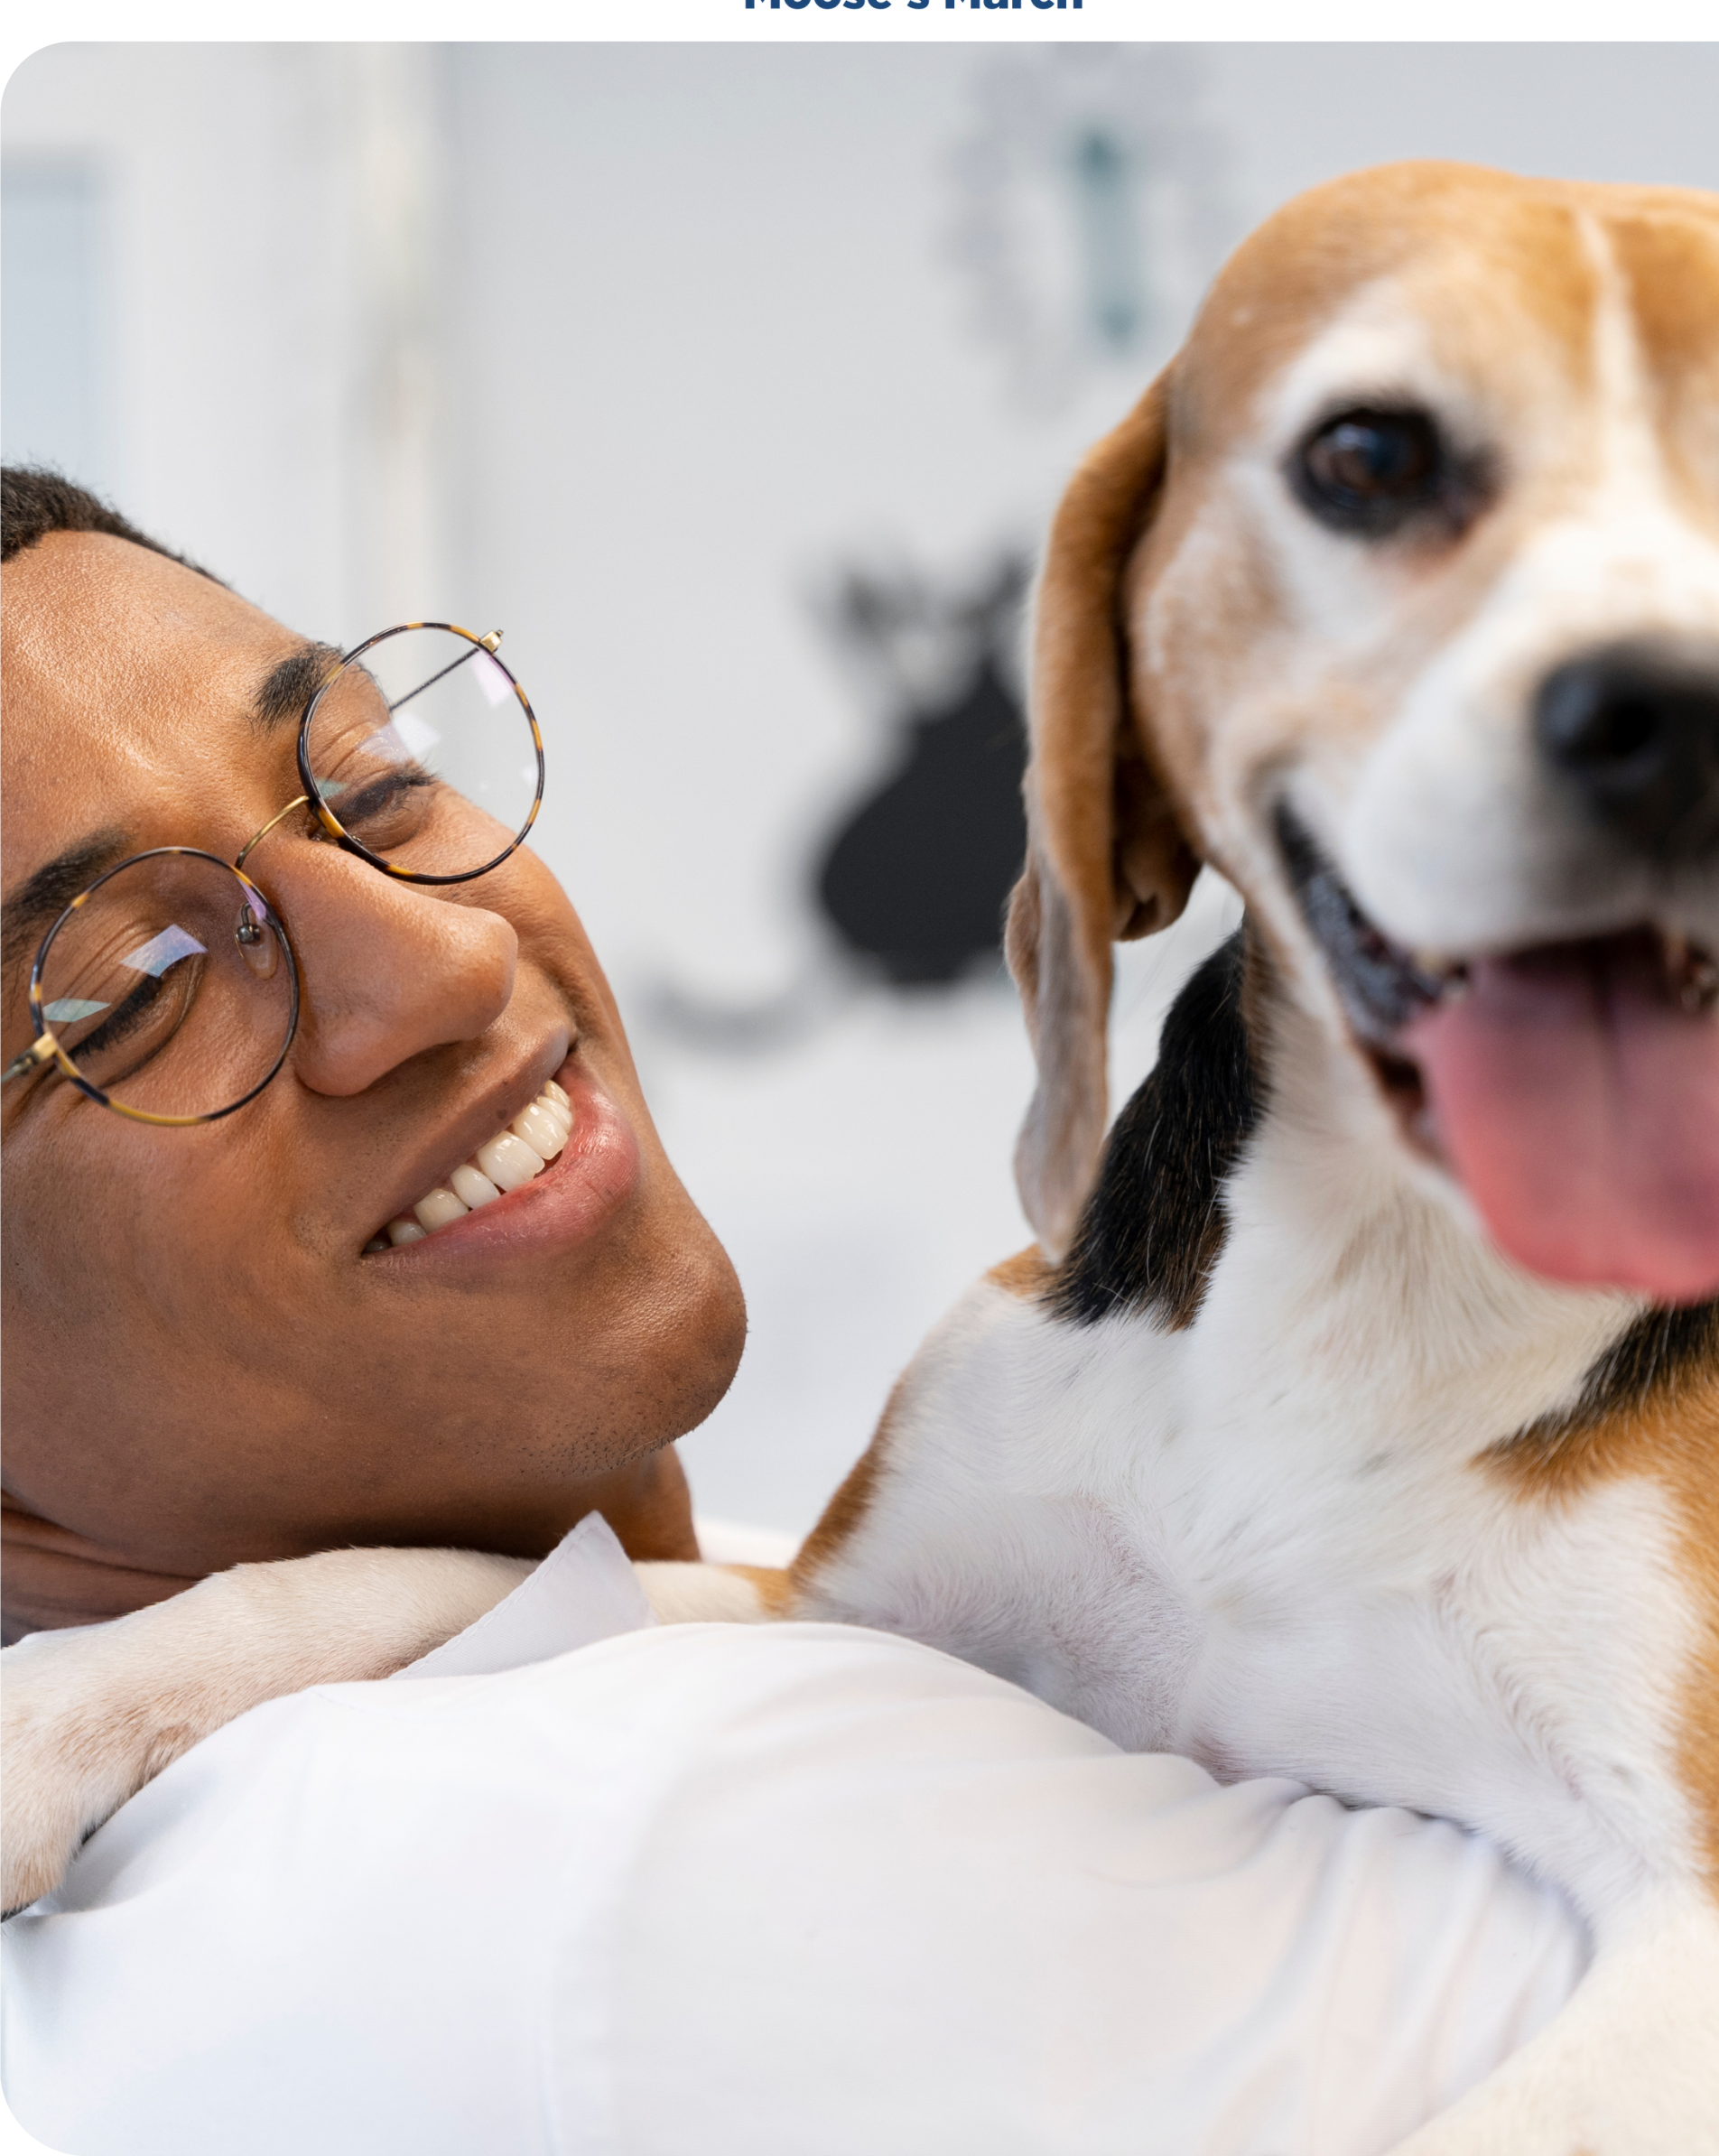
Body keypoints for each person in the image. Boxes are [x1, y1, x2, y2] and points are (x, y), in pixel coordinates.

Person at [0, 469, 1586, 2155]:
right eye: (130, 993)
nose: (448, 963)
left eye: (373, 782)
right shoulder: (623, 1844)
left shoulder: (553, 1684)